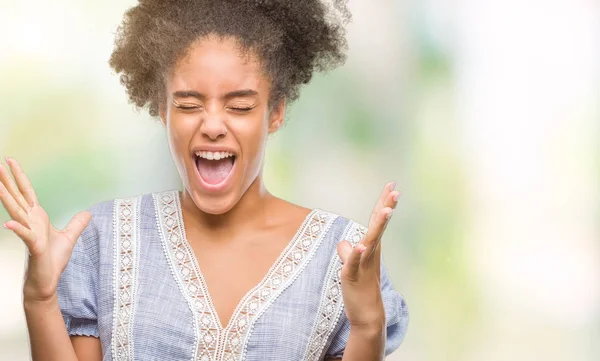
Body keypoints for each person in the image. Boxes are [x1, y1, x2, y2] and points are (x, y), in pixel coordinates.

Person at [0, 0, 409, 360]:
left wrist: (367, 324)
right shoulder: (103, 240)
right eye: (189, 104)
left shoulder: (341, 258)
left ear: (276, 113)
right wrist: (40, 299)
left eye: (241, 106)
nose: (212, 125)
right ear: (162, 109)